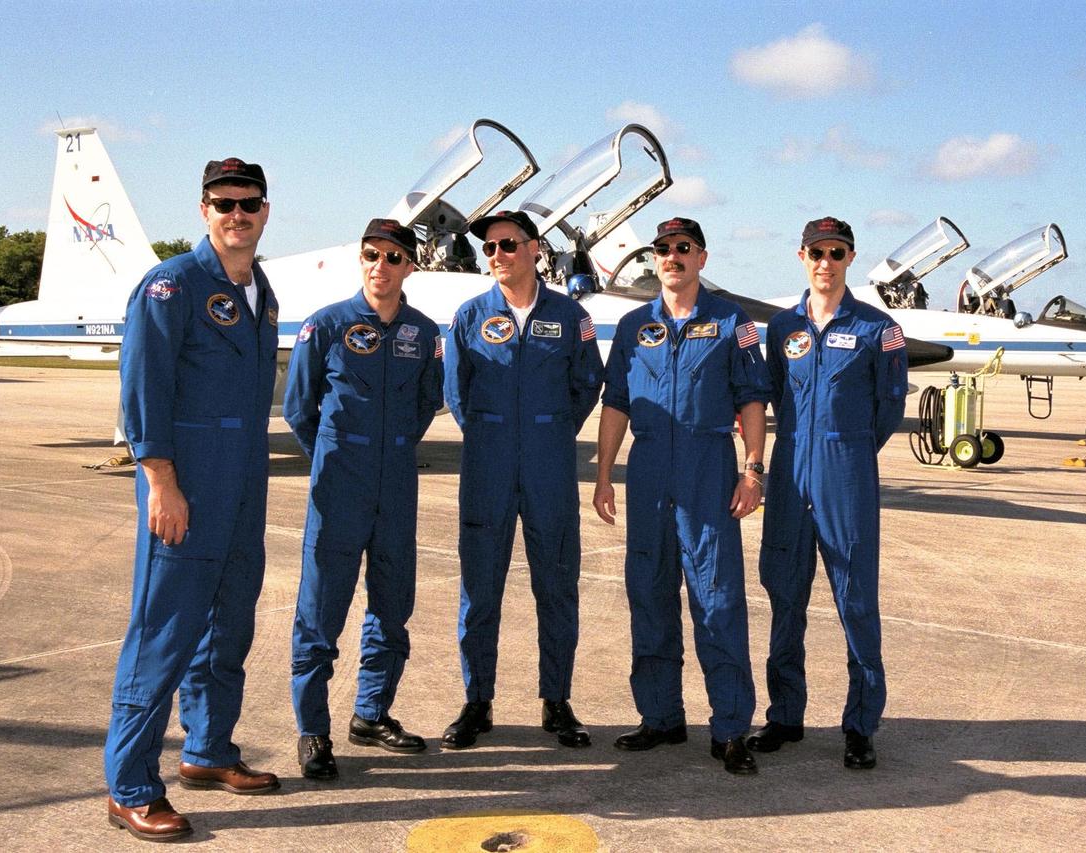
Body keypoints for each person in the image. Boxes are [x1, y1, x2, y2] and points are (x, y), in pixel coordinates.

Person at [105, 158, 280, 841]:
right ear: (203, 210)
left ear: (266, 210)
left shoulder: (260, 290)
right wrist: (161, 481)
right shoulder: (170, 285)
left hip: (243, 486)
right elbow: (142, 390)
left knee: (228, 623)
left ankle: (207, 750)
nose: (237, 214)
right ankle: (131, 784)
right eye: (224, 202)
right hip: (186, 485)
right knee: (163, 633)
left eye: (249, 202)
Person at [593, 217, 769, 776]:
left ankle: (730, 728)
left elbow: (751, 401)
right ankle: (661, 718)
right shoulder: (631, 326)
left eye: (683, 248)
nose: (672, 257)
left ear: (702, 257)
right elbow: (616, 402)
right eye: (663, 249)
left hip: (707, 466)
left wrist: (753, 471)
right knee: (648, 593)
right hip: (647, 472)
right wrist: (602, 475)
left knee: (717, 598)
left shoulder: (731, 323)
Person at [284, 219, 443, 780]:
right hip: (340, 487)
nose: (381, 265)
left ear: (410, 266)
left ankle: (372, 714)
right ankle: (313, 732)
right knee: (321, 610)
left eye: (394, 257)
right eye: (372, 255)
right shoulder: (325, 326)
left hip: (397, 482)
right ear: (362, 260)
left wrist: (388, 448)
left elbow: (428, 402)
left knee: (393, 605)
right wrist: (338, 452)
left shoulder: (423, 333)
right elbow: (299, 410)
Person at [746, 217, 908, 770]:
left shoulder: (877, 329)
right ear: (801, 256)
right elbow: (768, 396)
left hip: (846, 475)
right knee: (784, 599)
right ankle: (785, 716)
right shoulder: (781, 328)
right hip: (791, 474)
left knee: (856, 602)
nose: (826, 262)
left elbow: (888, 410)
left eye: (836, 253)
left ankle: (861, 725)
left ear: (850, 258)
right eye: (817, 252)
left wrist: (848, 452)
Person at [442, 210, 603, 749]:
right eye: (488, 248)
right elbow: (456, 393)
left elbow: (587, 384)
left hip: (549, 467)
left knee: (556, 586)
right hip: (487, 467)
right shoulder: (469, 316)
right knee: (479, 589)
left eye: (507, 245)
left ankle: (557, 702)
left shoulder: (570, 317)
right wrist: (492, 435)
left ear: (534, 249)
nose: (496, 256)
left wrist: (550, 432)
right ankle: (477, 702)